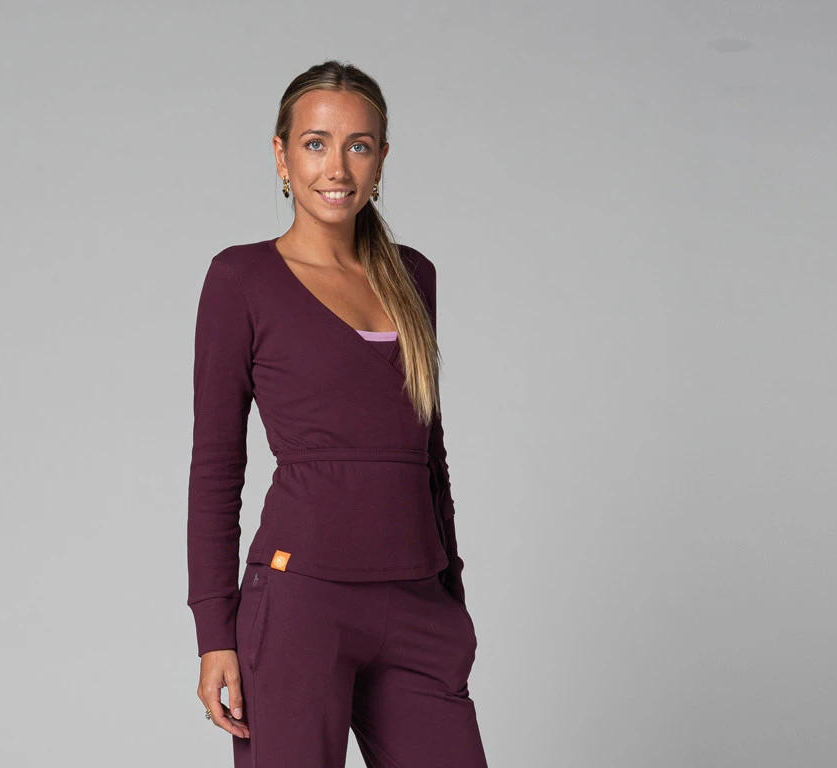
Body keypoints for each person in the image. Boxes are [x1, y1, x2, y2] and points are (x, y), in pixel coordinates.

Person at [187, 59, 488, 768]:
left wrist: (451, 595)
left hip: (418, 601)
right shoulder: (242, 278)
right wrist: (214, 633)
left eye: (358, 145)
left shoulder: (414, 276)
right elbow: (216, 466)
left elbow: (427, 452)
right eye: (316, 143)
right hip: (302, 601)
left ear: (381, 160)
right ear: (282, 155)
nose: (337, 167)